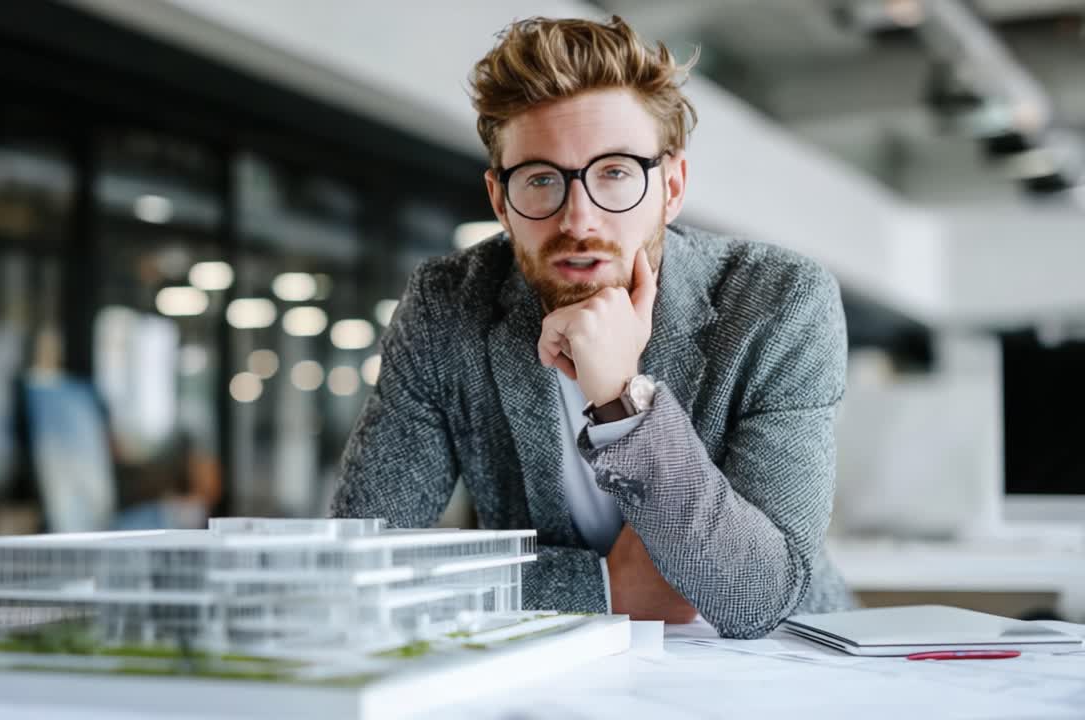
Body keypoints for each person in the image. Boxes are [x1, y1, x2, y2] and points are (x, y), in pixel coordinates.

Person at [330, 16, 854, 639]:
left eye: (614, 173)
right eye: (542, 179)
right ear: (500, 199)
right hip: (555, 670)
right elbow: (360, 563)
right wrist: (603, 589)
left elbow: (757, 594)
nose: (578, 219)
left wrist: (622, 403)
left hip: (784, 672)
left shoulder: (779, 301)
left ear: (672, 186)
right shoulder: (449, 305)